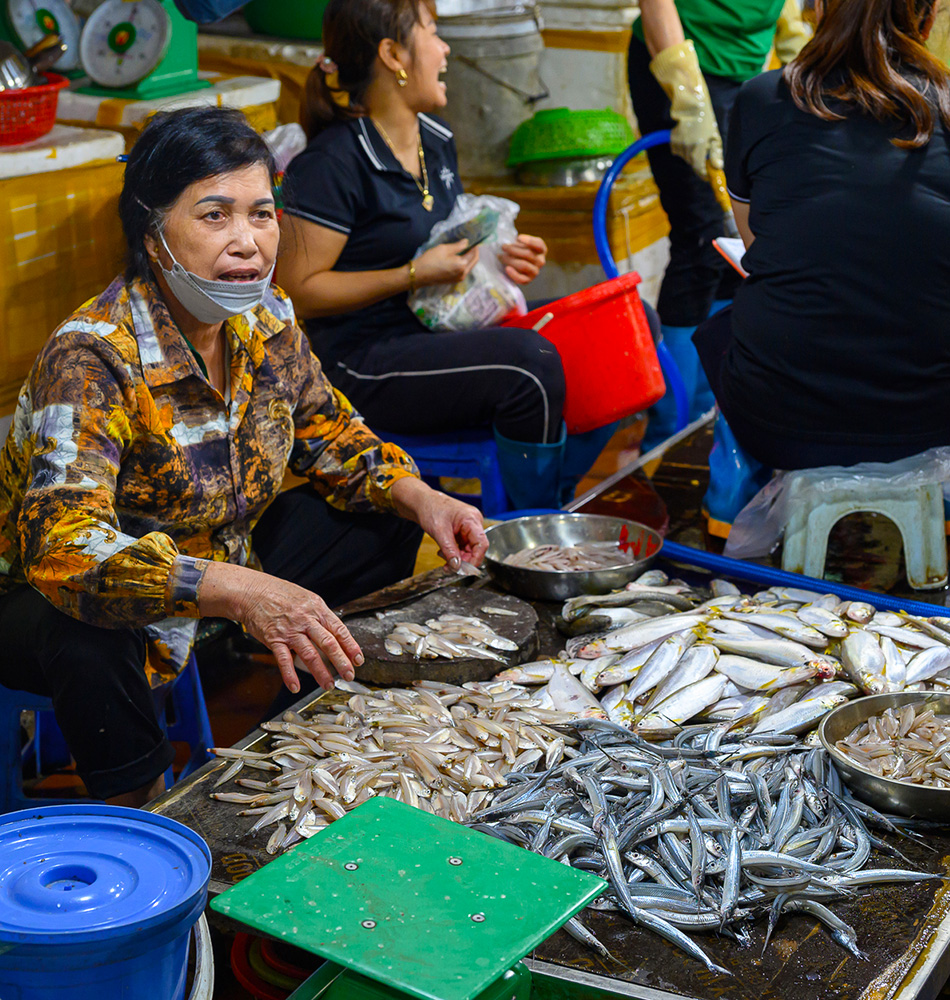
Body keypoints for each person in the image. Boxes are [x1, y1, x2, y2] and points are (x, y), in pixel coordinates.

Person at [0, 106, 487, 807]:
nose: (247, 242)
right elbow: (61, 547)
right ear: (152, 232)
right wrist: (237, 590)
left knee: (385, 518)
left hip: (222, 558)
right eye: (213, 216)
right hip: (55, 597)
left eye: (262, 214)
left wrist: (423, 497)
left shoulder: (265, 315)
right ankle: (149, 818)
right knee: (88, 637)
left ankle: (297, 740)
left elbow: (330, 433)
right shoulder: (94, 355)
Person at [277, 0, 617, 510]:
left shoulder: (436, 142)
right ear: (393, 54)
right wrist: (411, 274)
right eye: (433, 32)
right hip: (360, 362)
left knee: (618, 329)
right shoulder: (332, 162)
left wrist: (500, 259)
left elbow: (445, 241)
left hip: (434, 335)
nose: (445, 48)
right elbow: (299, 291)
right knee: (531, 363)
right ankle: (529, 535)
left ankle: (550, 499)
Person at [694, 0, 950, 470]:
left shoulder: (758, 99)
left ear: (816, 7)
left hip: (779, 426)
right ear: (930, 13)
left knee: (724, 330)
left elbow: (756, 246)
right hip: (932, 421)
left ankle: (730, 503)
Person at [629, 0, 810, 449]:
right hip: (675, 67)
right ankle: (668, 433)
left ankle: (712, 415)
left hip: (746, 76)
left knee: (738, 247)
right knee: (702, 240)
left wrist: (801, 51)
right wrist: (688, 100)